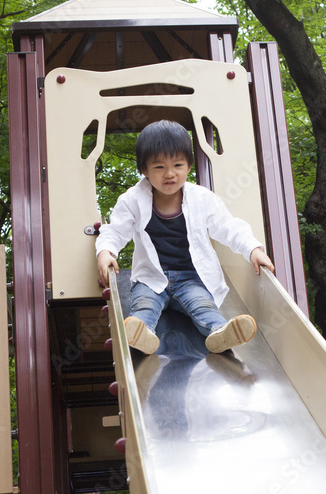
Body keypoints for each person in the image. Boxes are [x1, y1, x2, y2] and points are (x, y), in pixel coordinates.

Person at [95, 120, 275, 355]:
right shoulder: (132, 200)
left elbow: (228, 227)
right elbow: (115, 230)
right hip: (152, 278)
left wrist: (253, 249)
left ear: (188, 166)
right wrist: (106, 251)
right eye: (159, 167)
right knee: (144, 306)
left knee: (203, 305)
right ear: (144, 169)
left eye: (177, 164)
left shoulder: (201, 198)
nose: (170, 174)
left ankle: (219, 333)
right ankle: (141, 335)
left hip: (191, 278)